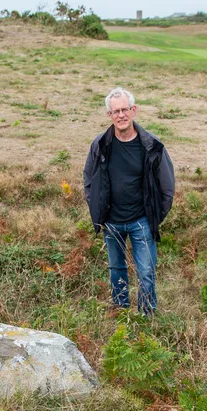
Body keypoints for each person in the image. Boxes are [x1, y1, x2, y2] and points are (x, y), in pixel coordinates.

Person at [83, 87, 175, 315]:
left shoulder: (151, 145)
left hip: (141, 221)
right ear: (109, 115)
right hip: (111, 222)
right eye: (115, 111)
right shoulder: (100, 144)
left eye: (125, 109)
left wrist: (154, 216)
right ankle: (121, 311)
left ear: (134, 110)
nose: (121, 115)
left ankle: (146, 315)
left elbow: (167, 187)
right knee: (116, 268)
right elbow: (88, 180)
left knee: (146, 271)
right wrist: (97, 210)